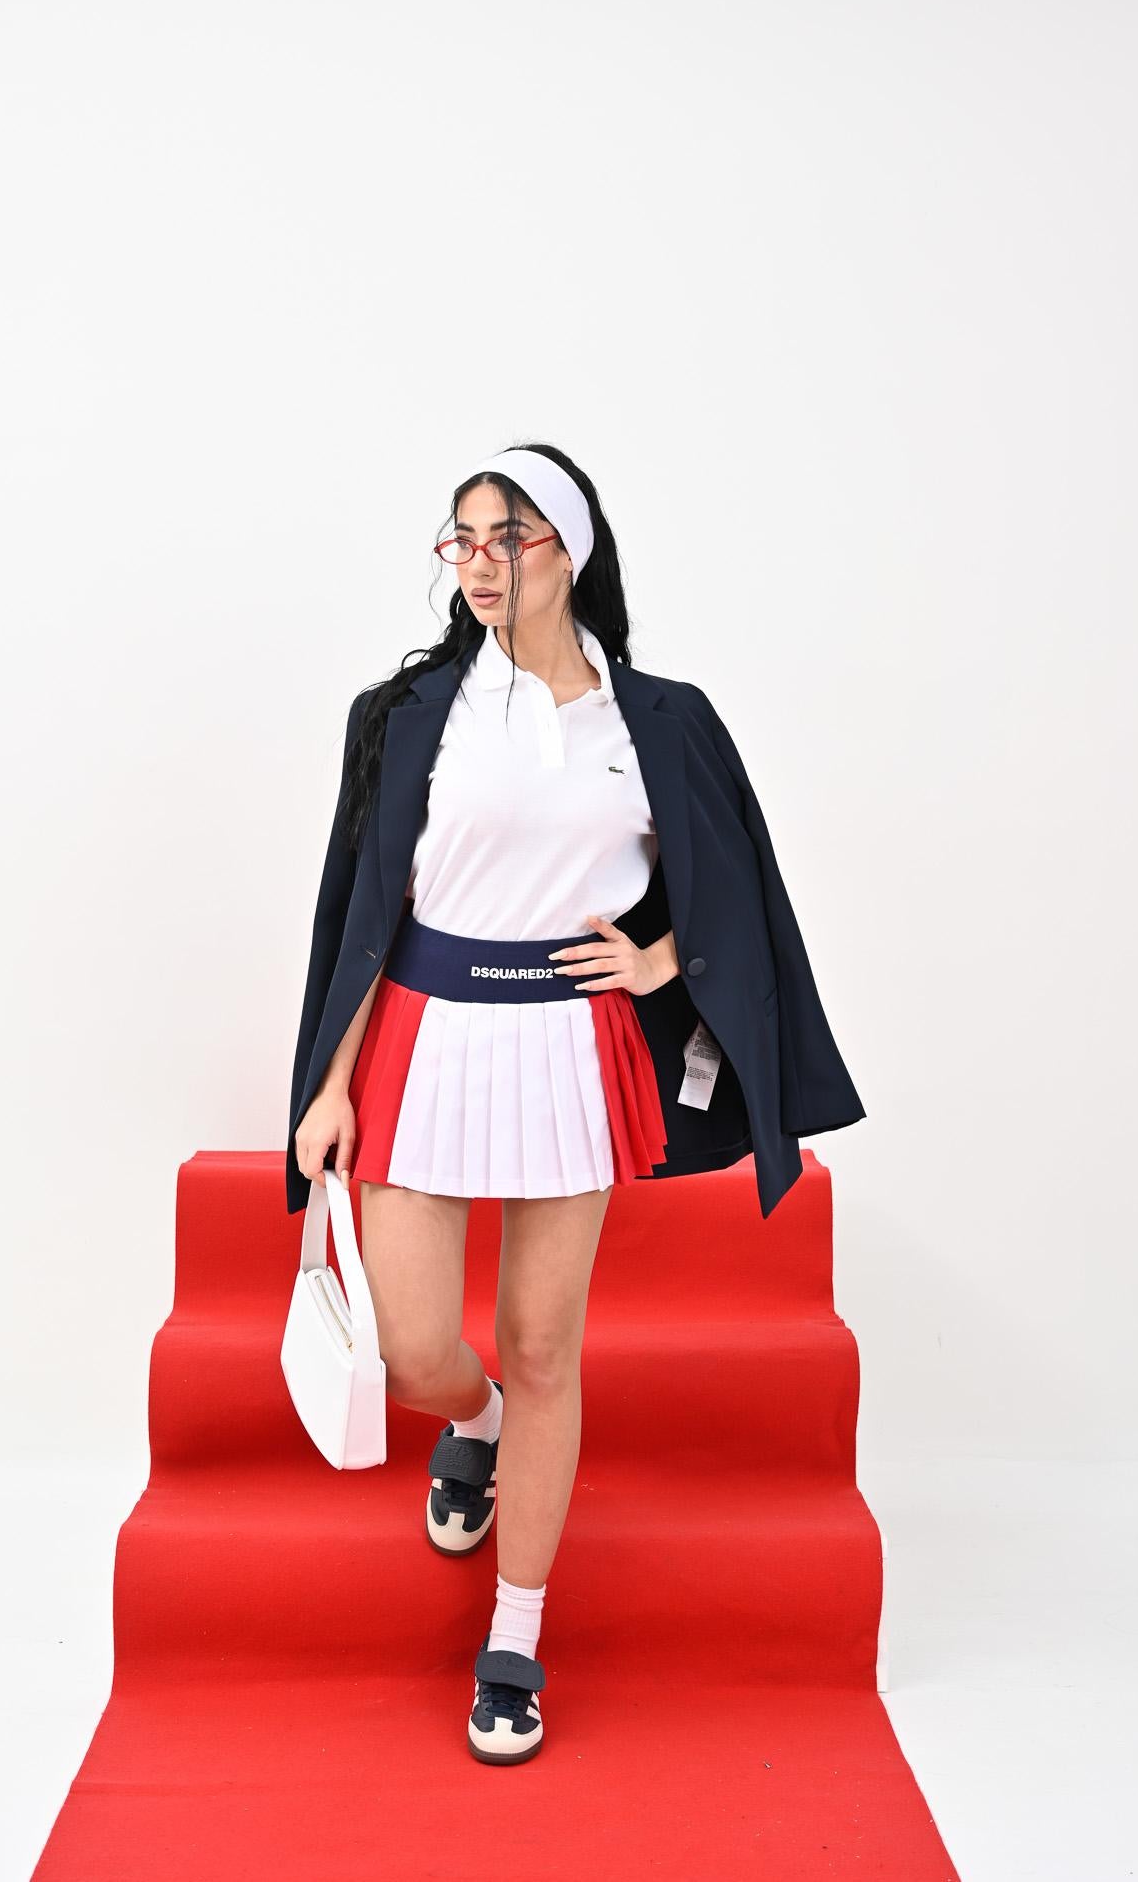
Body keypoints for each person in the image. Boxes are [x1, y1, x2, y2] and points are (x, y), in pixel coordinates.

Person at [289, 444, 864, 1765]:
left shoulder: (657, 721)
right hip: (425, 1036)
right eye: (463, 538)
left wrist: (666, 959)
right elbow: (365, 910)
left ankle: (515, 1634)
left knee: (546, 1348)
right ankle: (473, 1421)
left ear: (573, 548)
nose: (480, 561)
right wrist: (327, 1085)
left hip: (569, 1045)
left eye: (510, 535)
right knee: (418, 1345)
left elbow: (735, 877)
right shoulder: (409, 713)